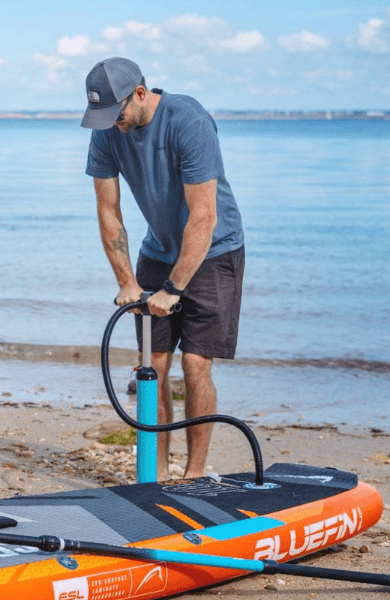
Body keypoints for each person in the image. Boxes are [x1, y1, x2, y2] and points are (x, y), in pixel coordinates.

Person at [81, 57, 245, 481]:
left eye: (116, 113)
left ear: (140, 93)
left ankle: (193, 476)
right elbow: (108, 210)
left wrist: (173, 288)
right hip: (158, 250)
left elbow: (204, 217)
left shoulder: (187, 121)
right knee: (151, 363)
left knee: (194, 364)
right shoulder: (107, 129)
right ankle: (152, 474)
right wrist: (127, 282)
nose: (111, 123)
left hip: (213, 250)